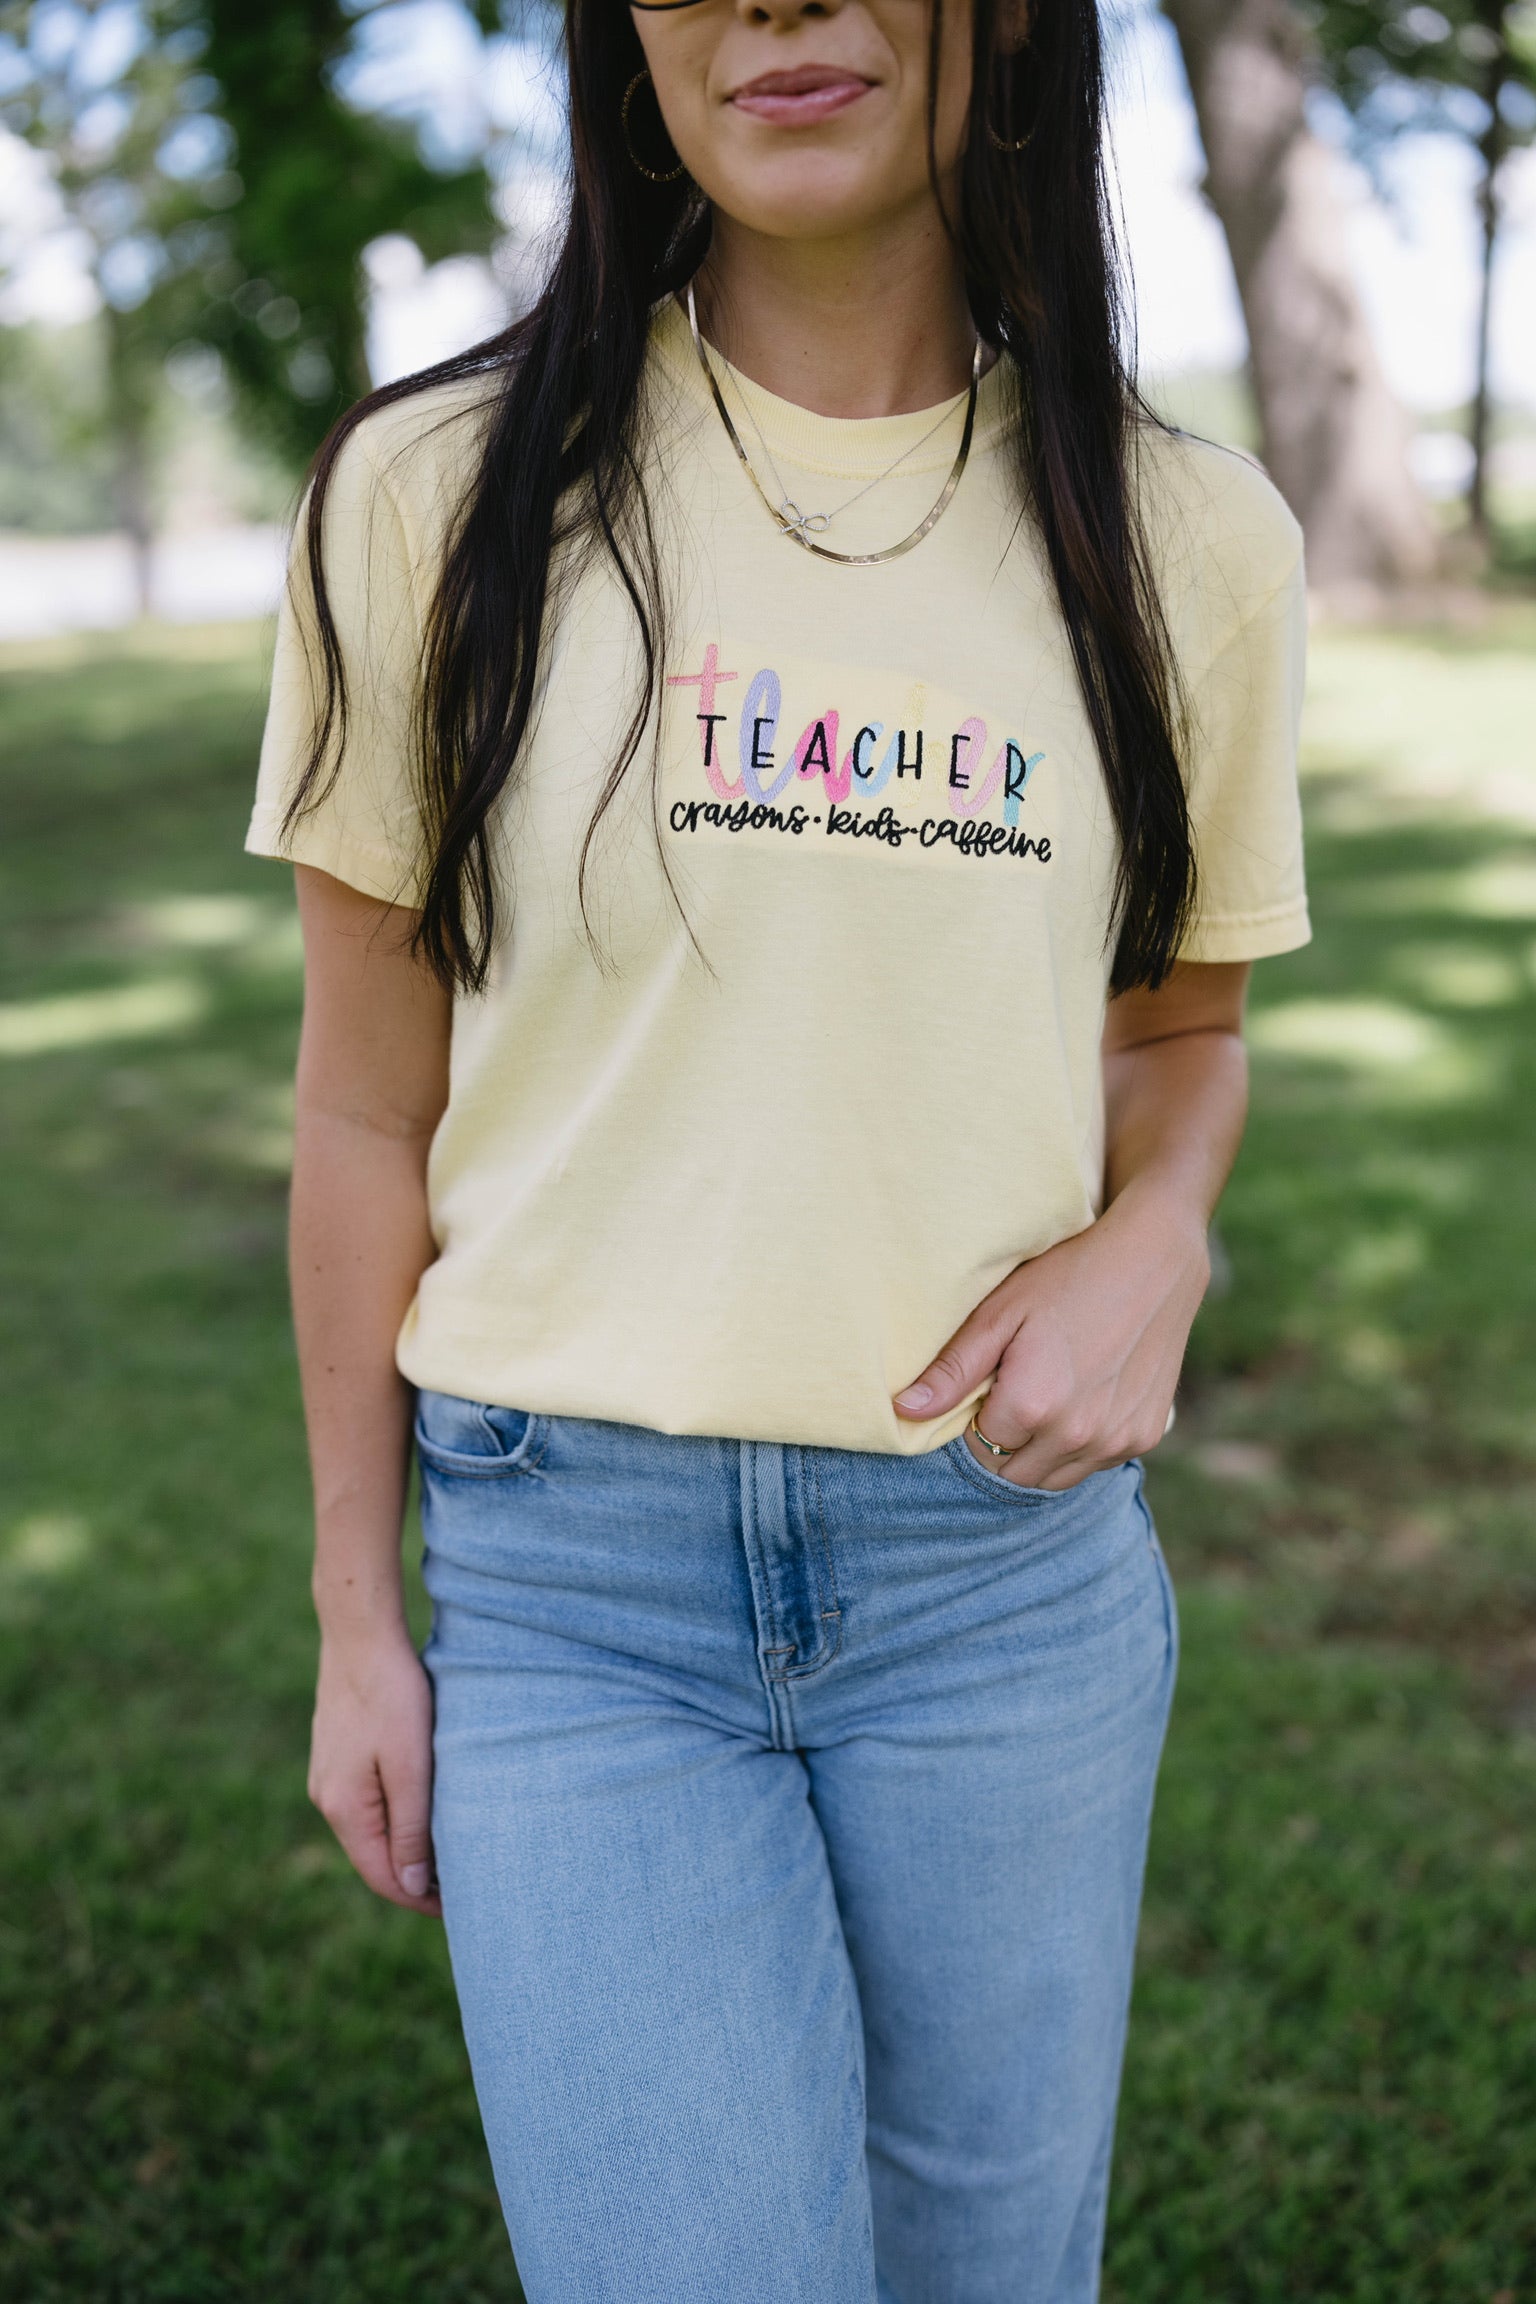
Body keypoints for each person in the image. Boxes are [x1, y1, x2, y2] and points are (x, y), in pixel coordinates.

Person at [246, 2, 1309, 2296]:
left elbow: (1184, 1033)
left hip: (1000, 1594)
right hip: (577, 1599)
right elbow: (359, 1107)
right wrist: (359, 1617)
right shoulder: (431, 500)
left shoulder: (1186, 533)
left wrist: (1167, 1237)